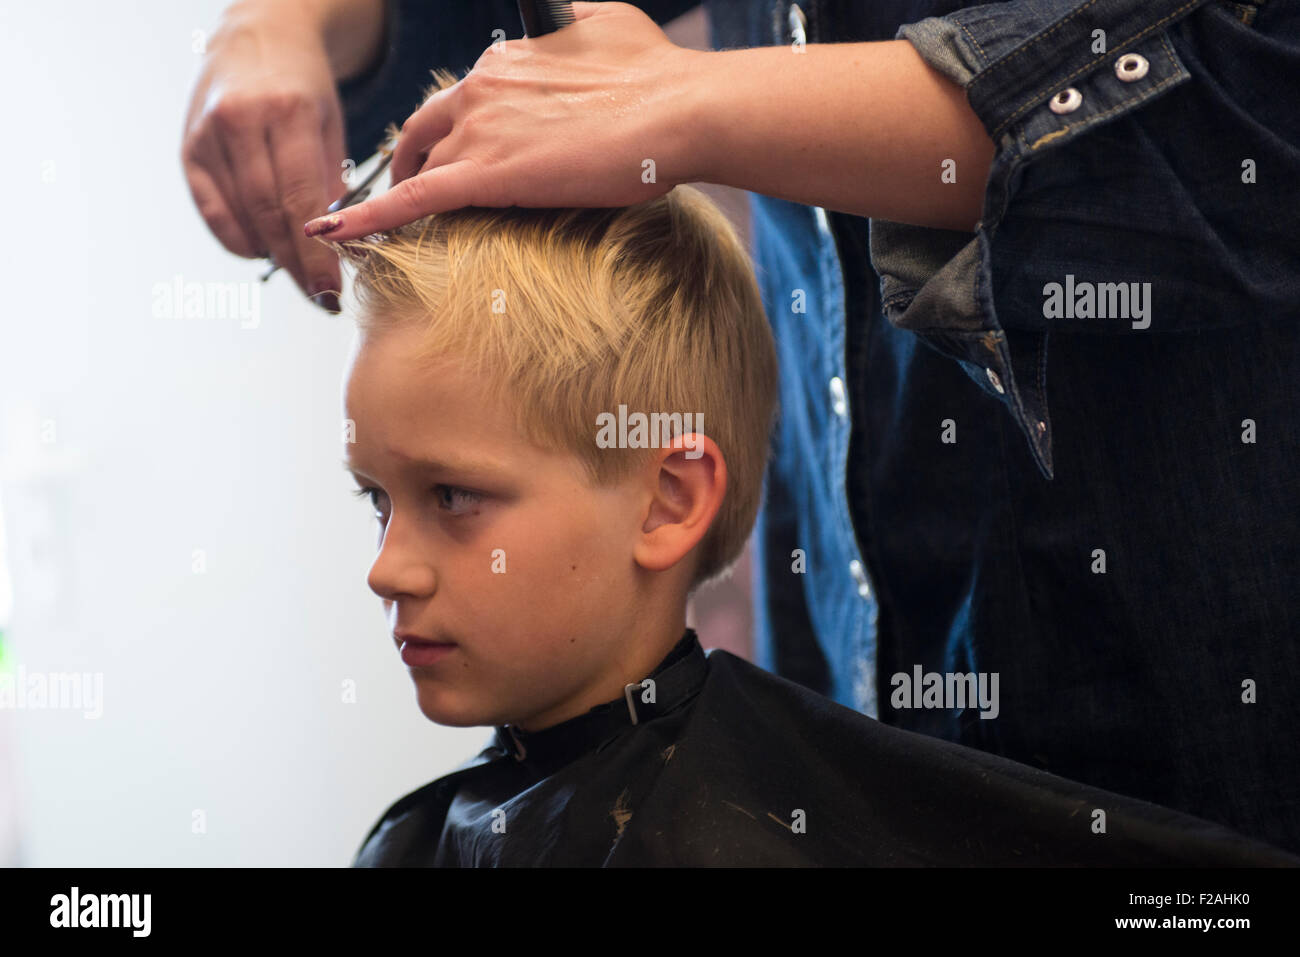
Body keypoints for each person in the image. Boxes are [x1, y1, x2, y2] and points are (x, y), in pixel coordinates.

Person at [183, 0, 1300, 853]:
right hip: (871, 682)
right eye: (379, 499)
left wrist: (694, 105)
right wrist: (275, 24)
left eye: (454, 498)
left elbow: (1254, 85)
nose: (382, 571)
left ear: (672, 498)